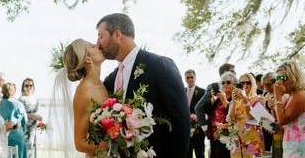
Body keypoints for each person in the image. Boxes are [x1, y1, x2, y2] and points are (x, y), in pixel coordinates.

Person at [98, 13, 190, 158]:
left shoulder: (160, 66)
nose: (98, 43)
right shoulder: (111, 80)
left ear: (117, 35)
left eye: (101, 36)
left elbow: (181, 121)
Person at [273, 61, 305, 157]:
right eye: (278, 78)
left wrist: (277, 96)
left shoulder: (300, 96)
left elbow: (282, 120)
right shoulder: (291, 96)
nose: (280, 82)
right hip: (294, 146)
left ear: (293, 77)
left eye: (283, 78)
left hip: (302, 148)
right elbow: (285, 123)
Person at [227, 73, 264, 157]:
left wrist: (244, 99)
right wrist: (234, 102)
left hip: (252, 141)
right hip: (237, 142)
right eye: (242, 83)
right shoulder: (234, 102)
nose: (245, 85)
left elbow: (253, 119)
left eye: (248, 83)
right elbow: (231, 120)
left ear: (253, 84)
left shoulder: (259, 99)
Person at [195, 62, 235, 134]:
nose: (235, 73)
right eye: (232, 71)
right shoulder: (214, 87)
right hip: (218, 132)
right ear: (224, 73)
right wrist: (205, 128)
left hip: (236, 131)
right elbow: (199, 107)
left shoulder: (241, 86)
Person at [209, 71, 236, 158]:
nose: (225, 85)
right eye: (223, 83)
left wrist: (224, 100)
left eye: (228, 82)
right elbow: (212, 114)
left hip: (229, 134)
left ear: (234, 84)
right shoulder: (219, 98)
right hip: (216, 134)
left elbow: (232, 114)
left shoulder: (235, 98)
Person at [0, 82, 27, 158]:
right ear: (13, 91)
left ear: (2, 91)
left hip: (2, 134)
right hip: (17, 134)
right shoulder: (19, 104)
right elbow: (24, 121)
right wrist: (24, 129)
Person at [19, 78, 43, 158]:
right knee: (27, 149)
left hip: (35, 128)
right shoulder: (21, 99)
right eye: (26, 85)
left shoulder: (36, 99)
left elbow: (39, 113)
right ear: (23, 87)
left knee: (34, 149)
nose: (29, 87)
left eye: (30, 85)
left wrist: (40, 121)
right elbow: (20, 115)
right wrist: (33, 116)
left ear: (33, 87)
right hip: (25, 129)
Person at [184, 69, 205, 158]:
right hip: (185, 129)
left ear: (195, 78)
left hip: (198, 130)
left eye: (191, 77)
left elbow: (206, 110)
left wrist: (197, 117)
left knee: (199, 153)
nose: (189, 79)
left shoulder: (202, 92)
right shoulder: (181, 91)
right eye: (187, 77)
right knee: (187, 153)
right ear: (185, 79)